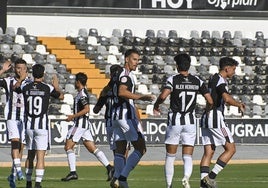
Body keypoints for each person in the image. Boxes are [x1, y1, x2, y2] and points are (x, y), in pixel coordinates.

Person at [153, 53, 213, 188]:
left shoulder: (173, 79)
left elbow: (163, 96)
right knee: (188, 155)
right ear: (189, 65)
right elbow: (210, 100)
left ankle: (169, 185)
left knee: (170, 156)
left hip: (175, 120)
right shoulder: (197, 81)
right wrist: (207, 110)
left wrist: (156, 105)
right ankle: (186, 178)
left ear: (177, 65)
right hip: (190, 121)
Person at [110, 49, 155, 188]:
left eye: (138, 60)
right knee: (141, 148)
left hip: (116, 116)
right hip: (125, 116)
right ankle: (122, 177)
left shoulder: (118, 75)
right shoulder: (125, 75)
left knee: (120, 150)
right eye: (134, 59)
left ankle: (117, 179)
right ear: (126, 59)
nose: (137, 62)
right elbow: (122, 92)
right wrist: (142, 97)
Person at [199, 57, 245, 188]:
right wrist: (238, 105)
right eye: (234, 69)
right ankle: (210, 178)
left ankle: (203, 184)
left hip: (206, 117)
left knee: (209, 152)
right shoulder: (220, 80)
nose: (234, 72)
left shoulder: (213, 78)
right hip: (215, 118)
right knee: (231, 149)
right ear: (227, 68)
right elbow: (226, 98)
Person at [61, 72, 114, 182]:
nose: (75, 83)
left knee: (68, 147)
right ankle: (110, 167)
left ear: (78, 82)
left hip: (79, 124)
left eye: (76, 81)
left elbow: (86, 109)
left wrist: (72, 116)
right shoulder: (82, 93)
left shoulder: (82, 95)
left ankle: (73, 172)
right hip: (84, 125)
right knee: (92, 149)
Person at [18, 64, 64, 188]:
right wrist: (56, 86)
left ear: (32, 74)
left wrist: (21, 78)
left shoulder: (25, 86)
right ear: (43, 74)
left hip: (29, 126)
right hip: (41, 126)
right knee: (40, 156)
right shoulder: (47, 87)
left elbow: (15, 88)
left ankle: (28, 182)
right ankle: (37, 183)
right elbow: (61, 96)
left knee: (30, 154)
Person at [0, 57, 31, 188]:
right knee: (15, 142)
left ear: (26, 70)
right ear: (14, 69)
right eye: (18, 68)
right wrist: (2, 70)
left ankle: (12, 176)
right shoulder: (8, 81)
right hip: (11, 116)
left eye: (23, 68)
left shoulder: (30, 83)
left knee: (21, 147)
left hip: (24, 118)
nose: (20, 71)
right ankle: (19, 171)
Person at [93, 65, 123, 153]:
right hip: (120, 120)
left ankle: (119, 165)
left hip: (110, 121)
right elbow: (96, 109)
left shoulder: (106, 90)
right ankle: (122, 166)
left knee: (115, 148)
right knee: (122, 146)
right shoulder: (122, 89)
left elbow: (96, 109)